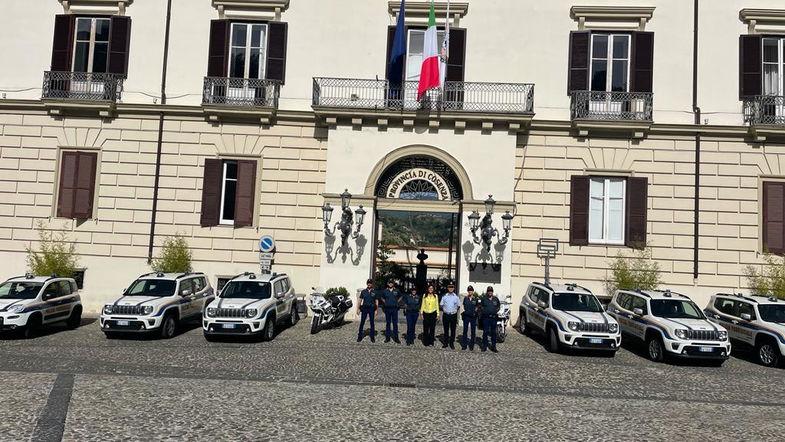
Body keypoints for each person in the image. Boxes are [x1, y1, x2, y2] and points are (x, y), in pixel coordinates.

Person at [439, 282, 460, 349]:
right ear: (447, 288)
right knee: (446, 329)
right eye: (449, 287)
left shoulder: (456, 297)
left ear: (453, 288)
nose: (451, 288)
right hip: (446, 315)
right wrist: (446, 309)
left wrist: (454, 310)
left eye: (452, 287)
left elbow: (458, 306)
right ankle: (445, 343)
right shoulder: (444, 296)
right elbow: (441, 305)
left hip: (453, 315)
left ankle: (451, 343)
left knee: (453, 330)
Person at [480, 286, 501, 353]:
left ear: (492, 292)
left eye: (491, 291)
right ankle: (484, 346)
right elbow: (481, 306)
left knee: (493, 333)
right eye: (489, 291)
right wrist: (484, 311)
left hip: (493, 318)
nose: (490, 292)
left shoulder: (495, 299)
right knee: (485, 332)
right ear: (487, 292)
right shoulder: (484, 299)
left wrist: (495, 311)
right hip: (486, 318)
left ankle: (493, 346)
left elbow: (498, 306)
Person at [461, 285, 479, 351]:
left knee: (473, 331)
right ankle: (464, 345)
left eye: (471, 291)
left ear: (473, 291)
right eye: (469, 291)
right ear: (468, 291)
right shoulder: (465, 298)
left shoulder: (475, 299)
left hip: (473, 317)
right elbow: (463, 306)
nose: (470, 292)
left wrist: (475, 311)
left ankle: (471, 345)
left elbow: (477, 307)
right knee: (465, 331)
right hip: (466, 317)